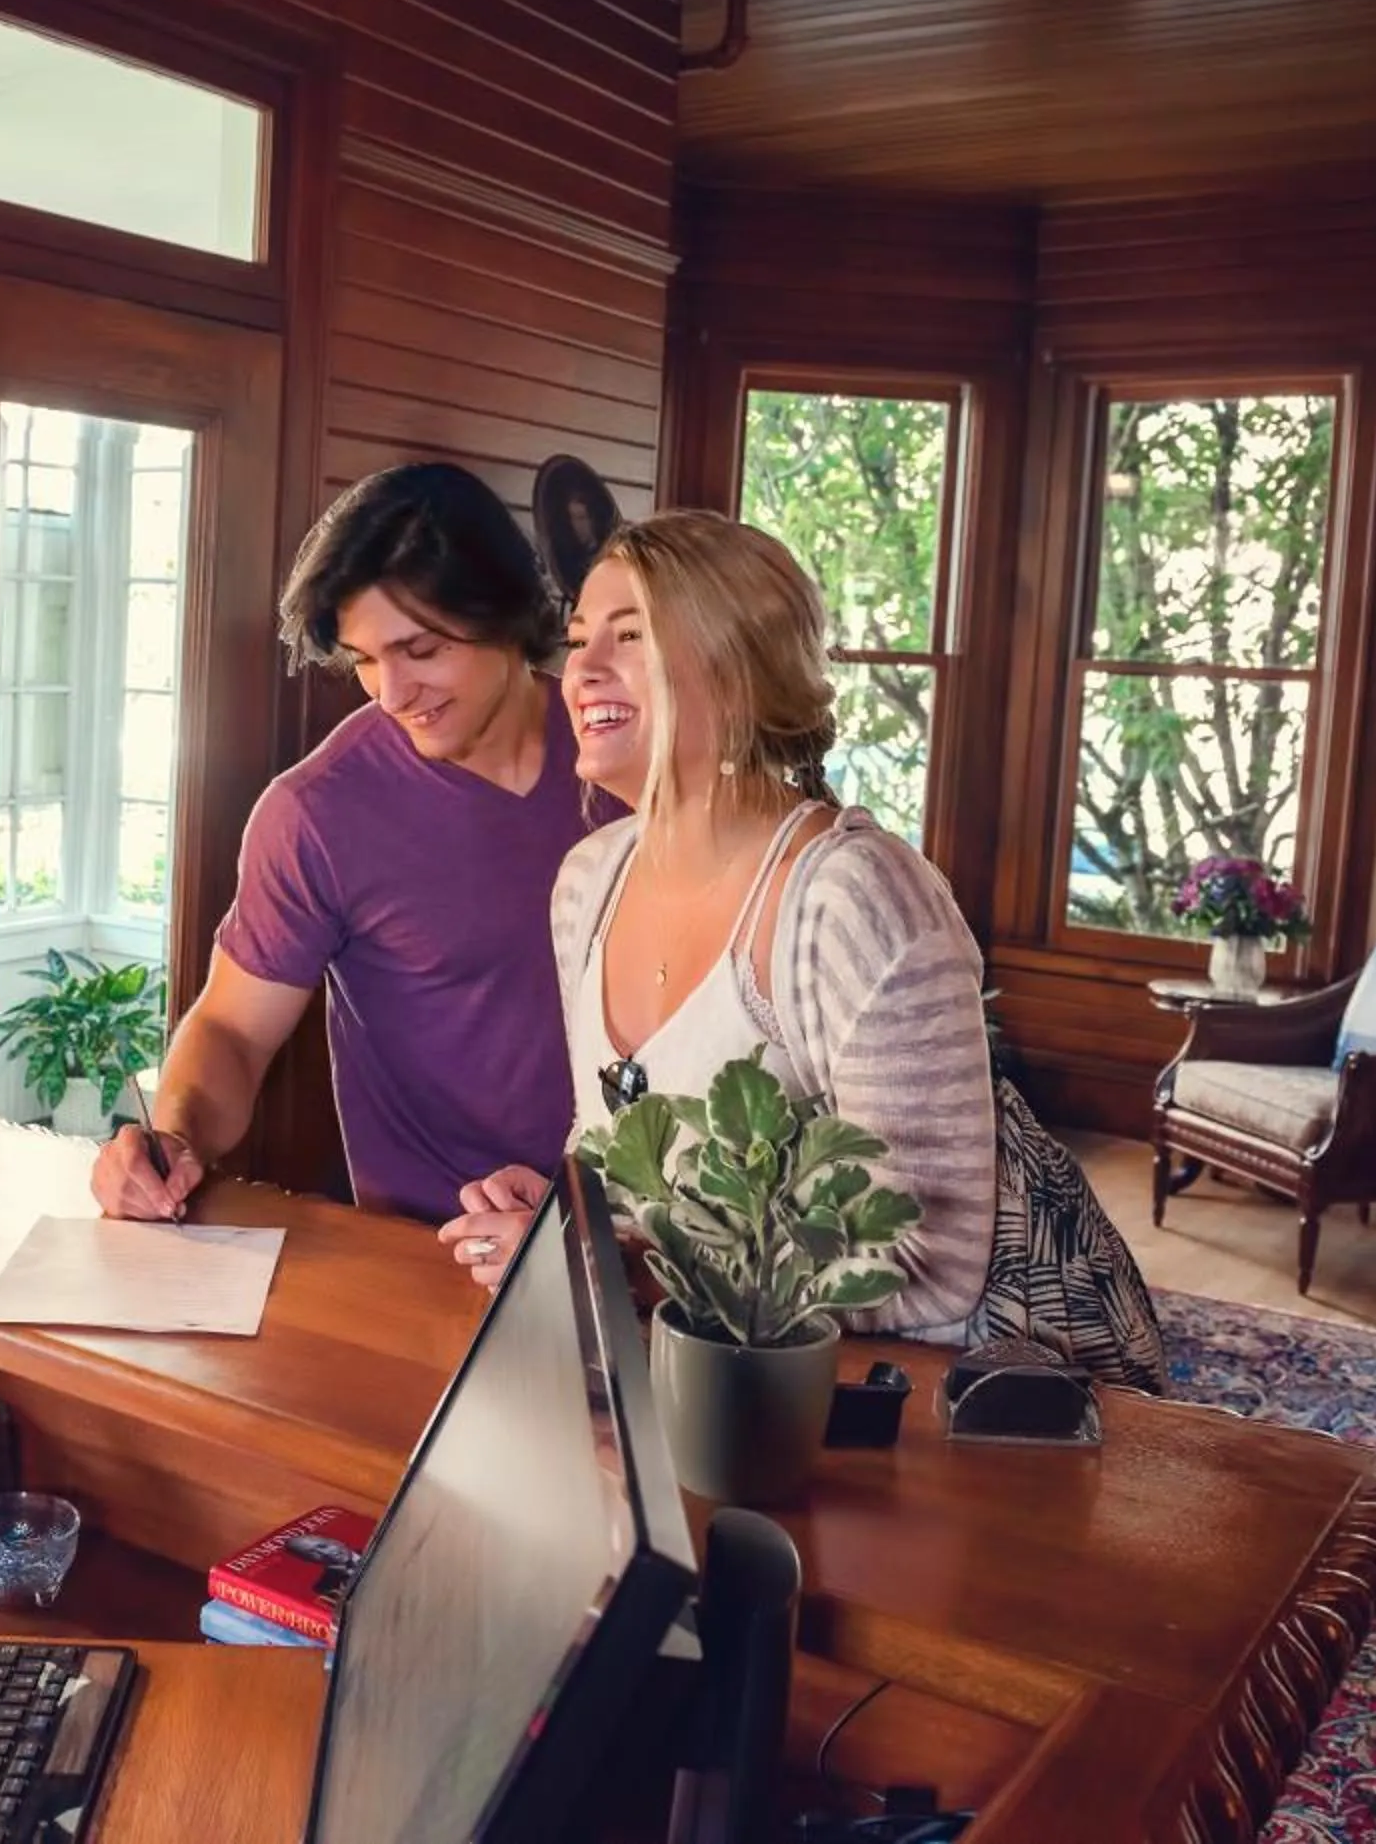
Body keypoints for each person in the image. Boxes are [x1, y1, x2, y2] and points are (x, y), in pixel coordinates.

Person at [445, 513, 1169, 1390]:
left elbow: (931, 1257)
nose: (581, 670)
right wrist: (568, 1221)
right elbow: (616, 1138)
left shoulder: (852, 898)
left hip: (933, 1397)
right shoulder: (587, 882)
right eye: (577, 638)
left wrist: (634, 1271)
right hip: (701, 1369)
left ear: (740, 674)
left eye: (630, 636)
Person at [88, 461, 609, 1231]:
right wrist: (175, 1139)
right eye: (365, 660)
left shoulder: (628, 759)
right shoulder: (317, 813)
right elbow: (232, 1029)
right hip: (430, 1251)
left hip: (637, 1247)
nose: (392, 694)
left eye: (421, 650)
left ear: (505, 610)